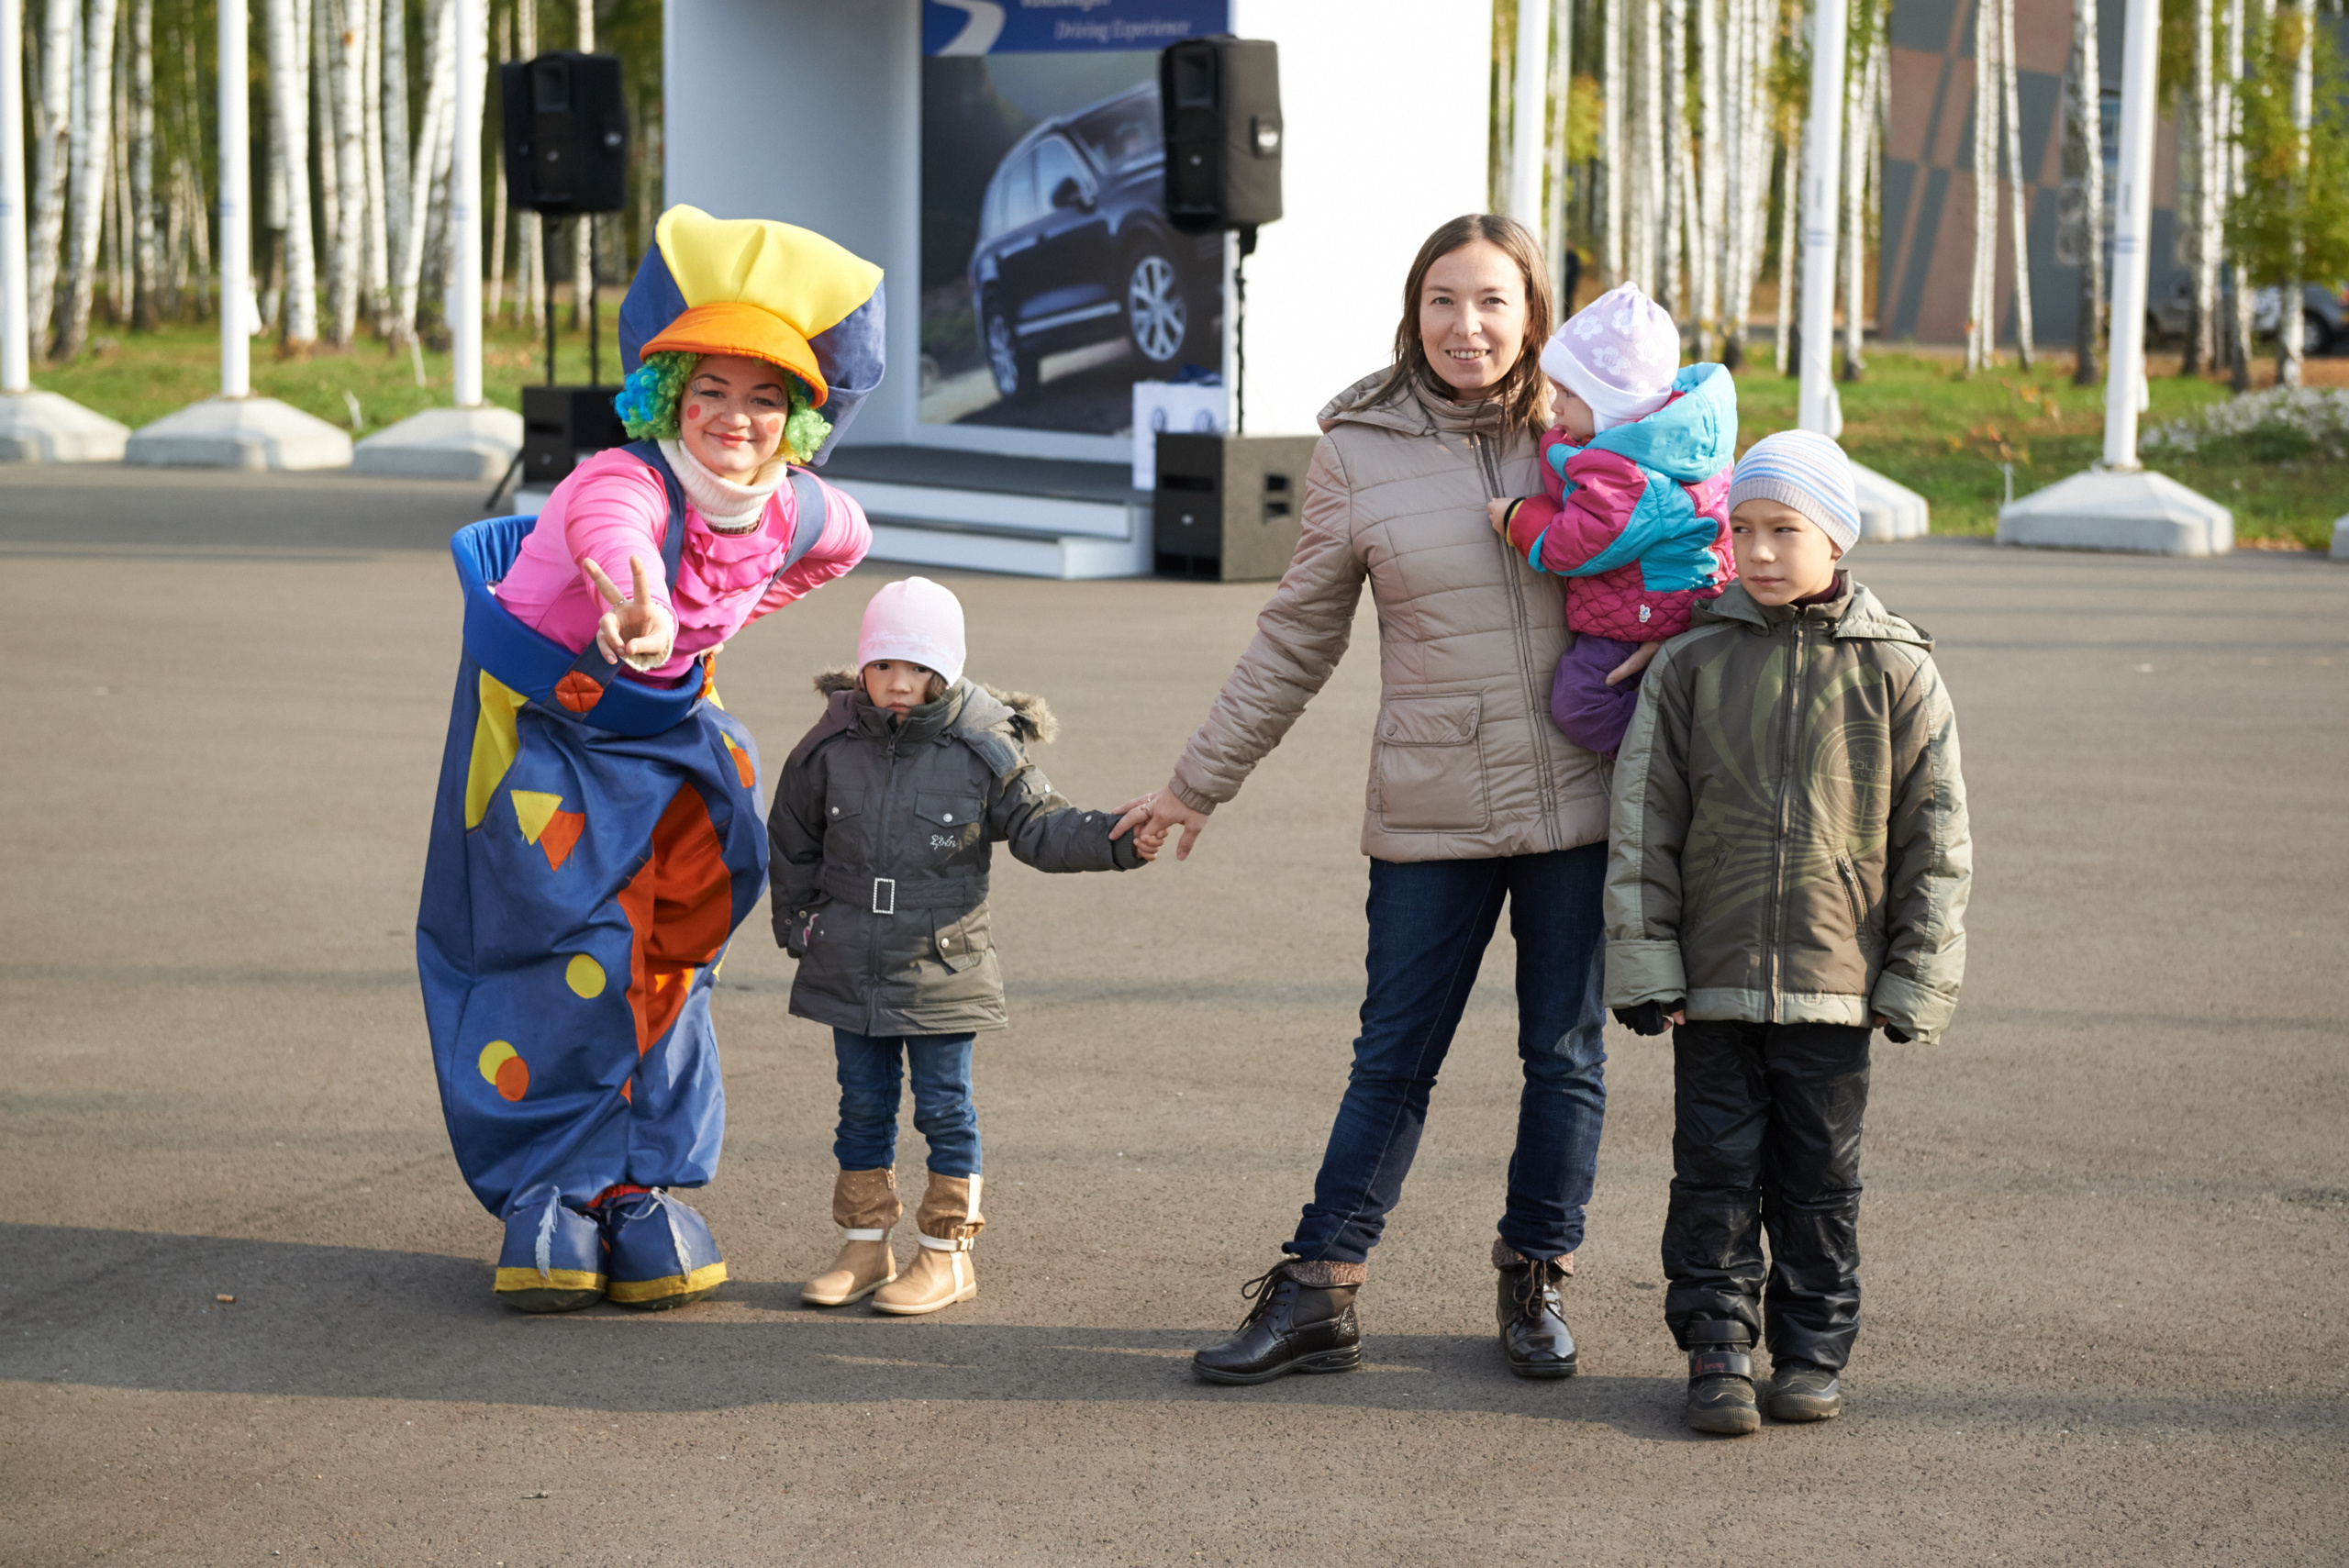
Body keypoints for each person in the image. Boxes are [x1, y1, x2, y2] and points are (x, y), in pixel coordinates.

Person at [1115, 214, 1632, 1385]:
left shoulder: (1595, 431)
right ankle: (1319, 1289)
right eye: (1444, 300)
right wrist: (1199, 780)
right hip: (1431, 802)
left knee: (1565, 1052)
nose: (1468, 325)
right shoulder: (1357, 447)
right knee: (1392, 1055)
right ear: (1413, 312)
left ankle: (1536, 1268)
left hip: (1583, 797)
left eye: (1494, 301)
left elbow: (1689, 564)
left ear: (1533, 314)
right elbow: (1294, 637)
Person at [417, 206, 883, 1314]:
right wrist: (641, 608)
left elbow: (834, 547)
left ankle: (640, 1184)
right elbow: (612, 538)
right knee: (553, 946)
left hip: (671, 724)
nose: (736, 416)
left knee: (677, 948)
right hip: (544, 733)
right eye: (711, 389)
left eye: (765, 395)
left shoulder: (806, 507)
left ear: (797, 418)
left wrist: (716, 625)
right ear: (671, 397)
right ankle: (550, 1185)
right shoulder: (621, 480)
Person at [1602, 429, 1972, 1434]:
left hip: (1835, 984)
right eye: (1743, 528)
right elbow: (1644, 822)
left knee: (1819, 1181)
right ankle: (1717, 1347)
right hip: (1714, 983)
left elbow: (1934, 839)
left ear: (1835, 537)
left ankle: (1810, 1349)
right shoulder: (1690, 662)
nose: (1758, 551)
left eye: (1784, 529)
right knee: (1713, 1171)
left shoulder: (1896, 670)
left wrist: (1914, 976)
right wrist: (1645, 960)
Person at [769, 577, 1163, 1317]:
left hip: (941, 964)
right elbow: (792, 838)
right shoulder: (830, 743)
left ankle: (948, 1255)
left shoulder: (983, 745)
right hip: (849, 959)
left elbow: (1044, 827)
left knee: (945, 1106)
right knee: (861, 1104)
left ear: (943, 671)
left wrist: (1119, 840)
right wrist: (798, 925)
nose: (896, 683)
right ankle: (863, 1244)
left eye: (916, 669)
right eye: (883, 665)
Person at [1486, 282, 1737, 760]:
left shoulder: (1627, 475)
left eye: (1567, 394)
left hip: (1647, 611)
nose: (1555, 406)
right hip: (1676, 597)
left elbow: (1579, 545)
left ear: (1613, 406)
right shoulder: (1668, 442)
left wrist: (1519, 516)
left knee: (1581, 701)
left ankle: (1675, 754)